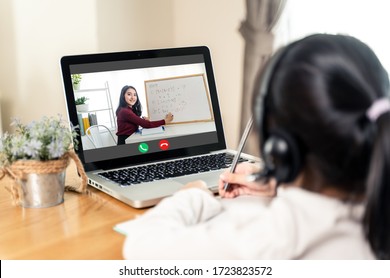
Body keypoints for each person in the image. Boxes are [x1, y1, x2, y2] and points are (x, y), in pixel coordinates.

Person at [121, 34, 390, 259]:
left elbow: (140, 247)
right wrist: (277, 183)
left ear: (281, 148)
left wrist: (195, 194)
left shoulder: (276, 238)